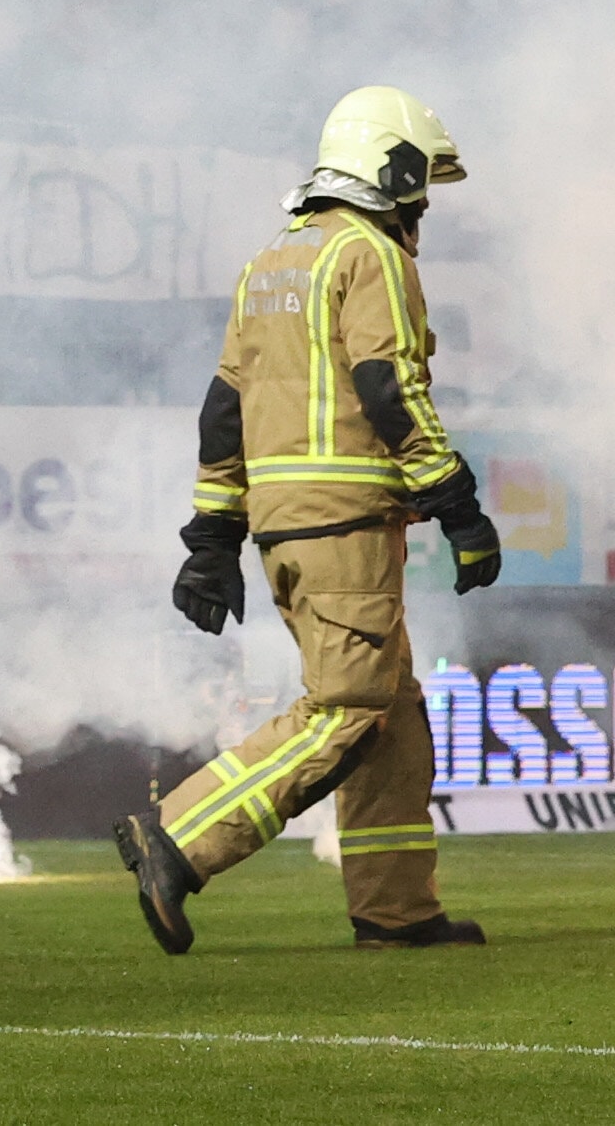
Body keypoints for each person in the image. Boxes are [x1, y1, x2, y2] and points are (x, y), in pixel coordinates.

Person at [121, 86, 506, 955]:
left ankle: (396, 913)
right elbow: (388, 387)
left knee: (391, 716)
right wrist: (458, 505)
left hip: (284, 525)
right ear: (390, 169)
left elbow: (224, 410)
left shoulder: (271, 264)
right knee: (348, 704)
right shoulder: (371, 255)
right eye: (419, 187)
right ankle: (178, 840)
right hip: (345, 520)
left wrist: (212, 537)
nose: (421, 207)